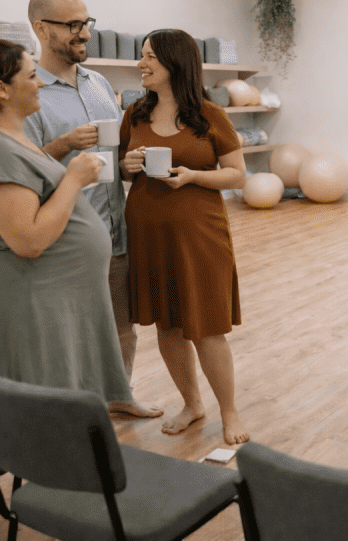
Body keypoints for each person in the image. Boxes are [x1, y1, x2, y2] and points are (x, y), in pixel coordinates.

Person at [0, 37, 132, 405]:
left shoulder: (12, 139)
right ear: (1, 89)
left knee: (58, 407)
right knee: (40, 414)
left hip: (45, 297)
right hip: (26, 300)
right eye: (31, 76)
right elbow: (28, 240)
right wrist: (74, 178)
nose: (41, 82)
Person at [23, 0, 160, 418]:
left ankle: (120, 395)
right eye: (73, 25)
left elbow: (112, 158)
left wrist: (128, 164)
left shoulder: (98, 83)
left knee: (121, 325)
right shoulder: (28, 92)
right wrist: (63, 144)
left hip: (114, 230)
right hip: (66, 237)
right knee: (68, 331)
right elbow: (20, 169)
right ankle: (69, 411)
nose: (84, 33)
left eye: (86, 22)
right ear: (41, 28)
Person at [119, 28, 249, 444]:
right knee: (167, 325)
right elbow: (123, 169)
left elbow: (238, 175)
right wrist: (128, 166)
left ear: (175, 63)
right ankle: (192, 405)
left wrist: (193, 176)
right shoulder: (135, 113)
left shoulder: (211, 115)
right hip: (148, 233)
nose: (141, 64)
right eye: (142, 55)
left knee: (207, 327)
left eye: (150, 57)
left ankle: (229, 413)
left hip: (199, 234)